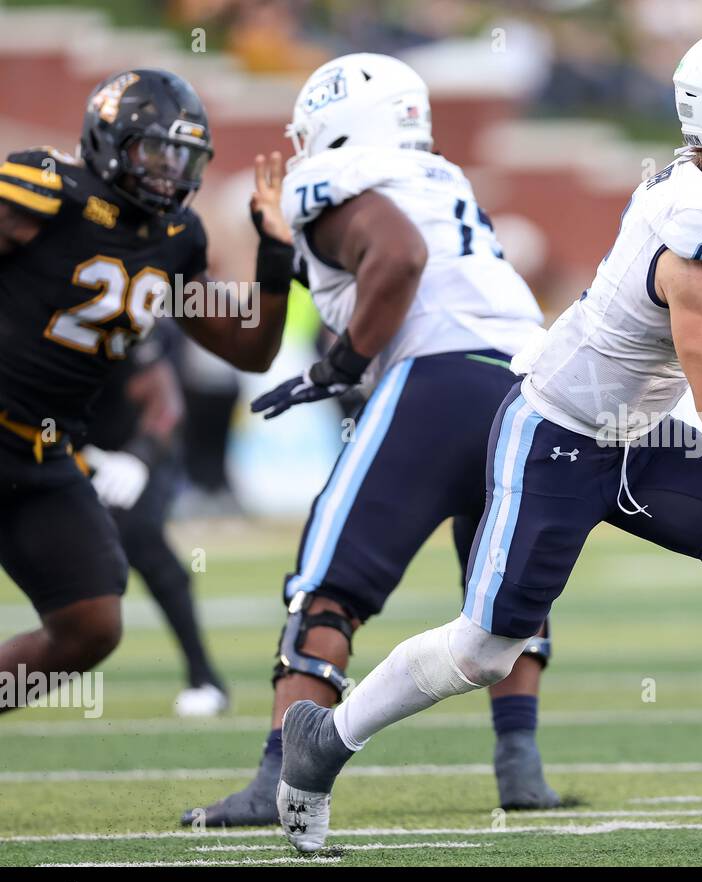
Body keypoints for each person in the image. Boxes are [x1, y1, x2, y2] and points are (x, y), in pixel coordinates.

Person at [274, 25, 702, 852]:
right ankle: (326, 740)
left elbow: (686, 333)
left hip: (635, 429)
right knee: (485, 650)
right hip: (560, 436)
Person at [181, 53, 561, 828]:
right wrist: (280, 247)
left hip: (440, 378)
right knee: (504, 583)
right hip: (532, 382)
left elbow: (400, 256)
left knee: (329, 586)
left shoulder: (330, 178)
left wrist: (343, 362)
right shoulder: (440, 176)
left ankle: (278, 778)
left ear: (334, 123)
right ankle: (519, 766)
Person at [0, 69, 291, 709]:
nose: (168, 171)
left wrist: (275, 263)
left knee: (90, 625)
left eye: (182, 157)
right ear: (109, 140)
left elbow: (249, 349)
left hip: (43, 457)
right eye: (155, 151)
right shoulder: (46, 192)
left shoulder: (177, 239)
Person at [79, 319, 229, 715]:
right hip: (69, 452)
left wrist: (139, 456)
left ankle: (204, 676)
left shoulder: (115, 314)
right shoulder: (22, 311)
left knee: (139, 536)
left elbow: (165, 403)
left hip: (138, 449)